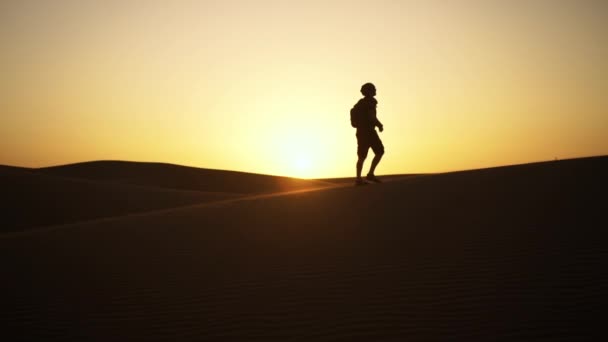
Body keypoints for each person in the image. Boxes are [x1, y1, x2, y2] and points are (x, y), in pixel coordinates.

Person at [352, 82, 384, 185]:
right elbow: (371, 117)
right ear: (369, 91)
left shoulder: (360, 103)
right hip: (368, 132)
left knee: (362, 156)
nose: (375, 90)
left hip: (361, 132)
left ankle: (359, 178)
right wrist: (379, 125)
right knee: (379, 151)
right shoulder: (370, 102)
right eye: (373, 89)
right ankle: (367, 175)